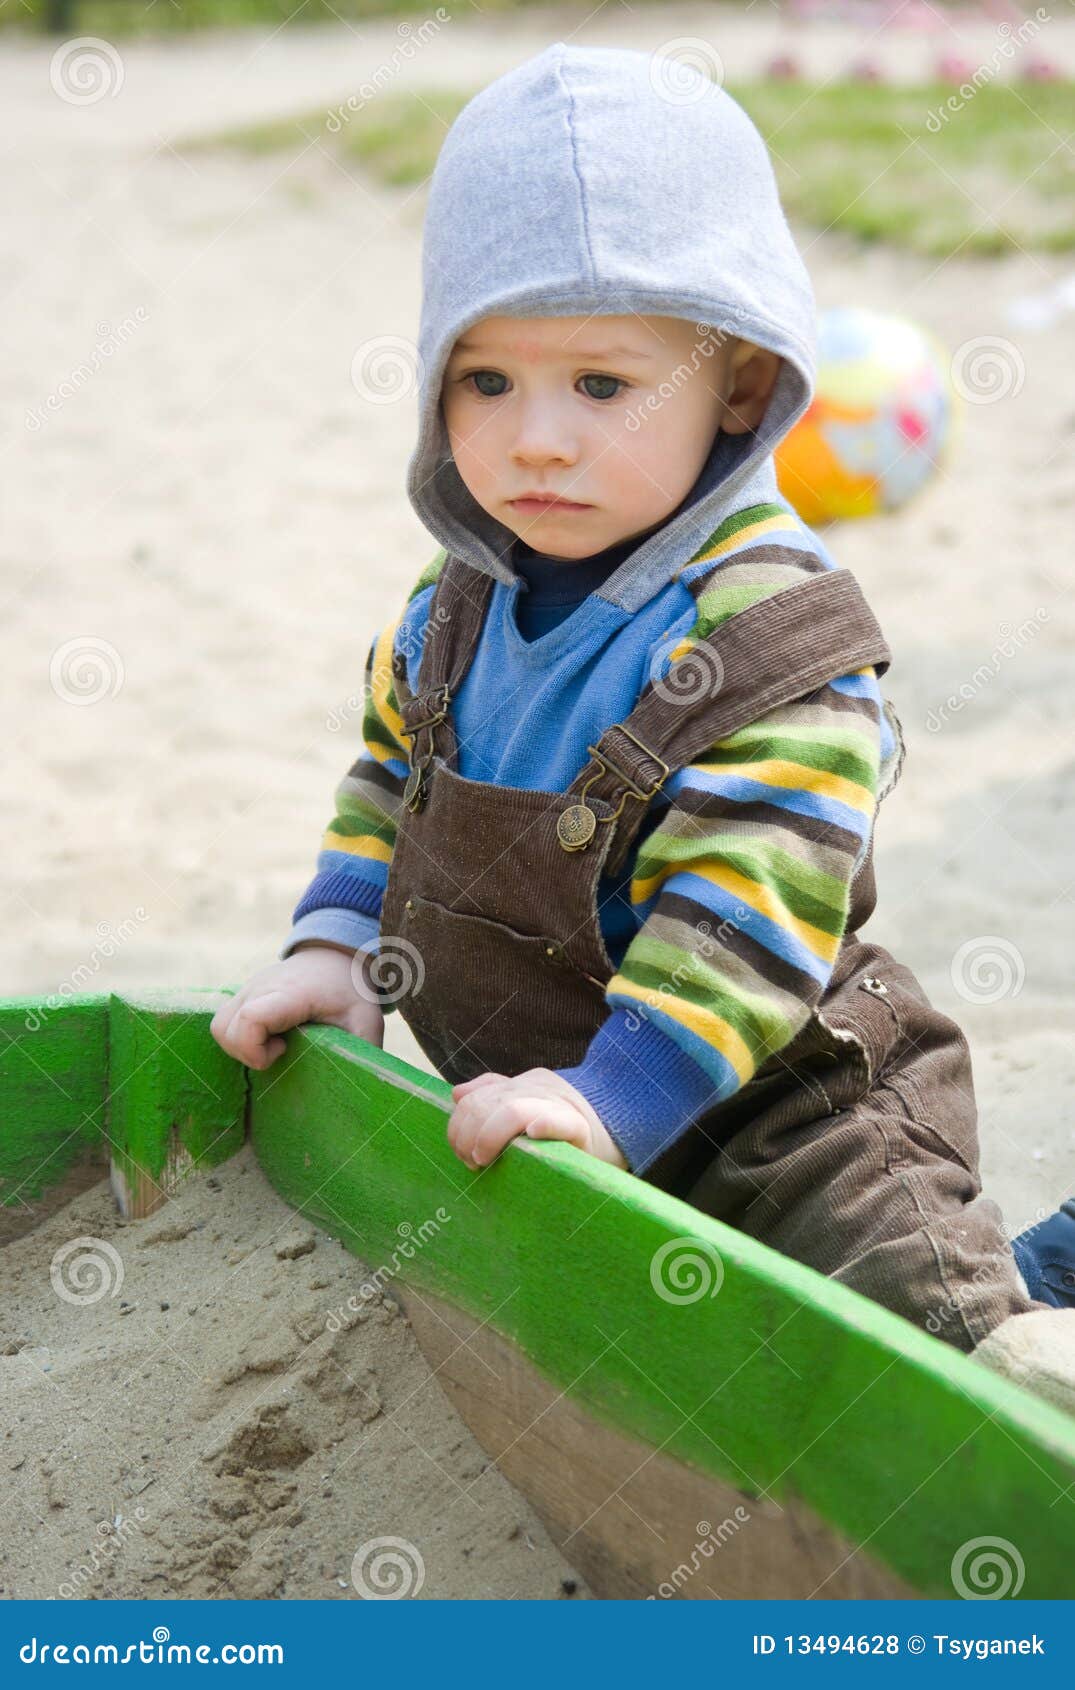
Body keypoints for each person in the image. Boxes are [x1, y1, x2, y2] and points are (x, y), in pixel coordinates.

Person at [210, 45, 1074, 1410]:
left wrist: (613, 1097)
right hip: (564, 1110)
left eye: (603, 387)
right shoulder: (457, 600)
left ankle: (1023, 1324)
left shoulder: (763, 633)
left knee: (927, 1343)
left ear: (736, 384)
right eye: (486, 381)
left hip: (782, 1118)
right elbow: (390, 777)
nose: (535, 441)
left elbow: (744, 909)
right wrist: (337, 945)